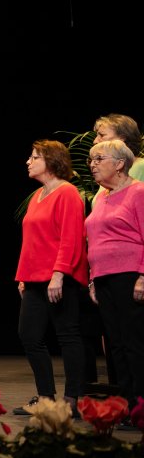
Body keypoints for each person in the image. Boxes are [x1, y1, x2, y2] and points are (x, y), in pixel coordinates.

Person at [13, 140, 88, 415]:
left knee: (68, 335)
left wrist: (59, 274)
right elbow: (32, 241)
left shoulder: (67, 192)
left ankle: (71, 400)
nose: (28, 161)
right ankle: (45, 398)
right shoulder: (37, 195)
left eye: (34, 157)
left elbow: (71, 237)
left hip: (59, 277)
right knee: (29, 335)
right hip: (34, 278)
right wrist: (23, 276)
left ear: (52, 161)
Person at [86, 139, 144, 412]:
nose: (92, 165)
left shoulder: (138, 192)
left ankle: (140, 406)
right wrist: (92, 279)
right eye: (91, 160)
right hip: (103, 278)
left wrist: (143, 276)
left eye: (99, 159)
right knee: (115, 344)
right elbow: (95, 241)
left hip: (129, 277)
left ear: (120, 164)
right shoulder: (102, 198)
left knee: (134, 343)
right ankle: (126, 404)